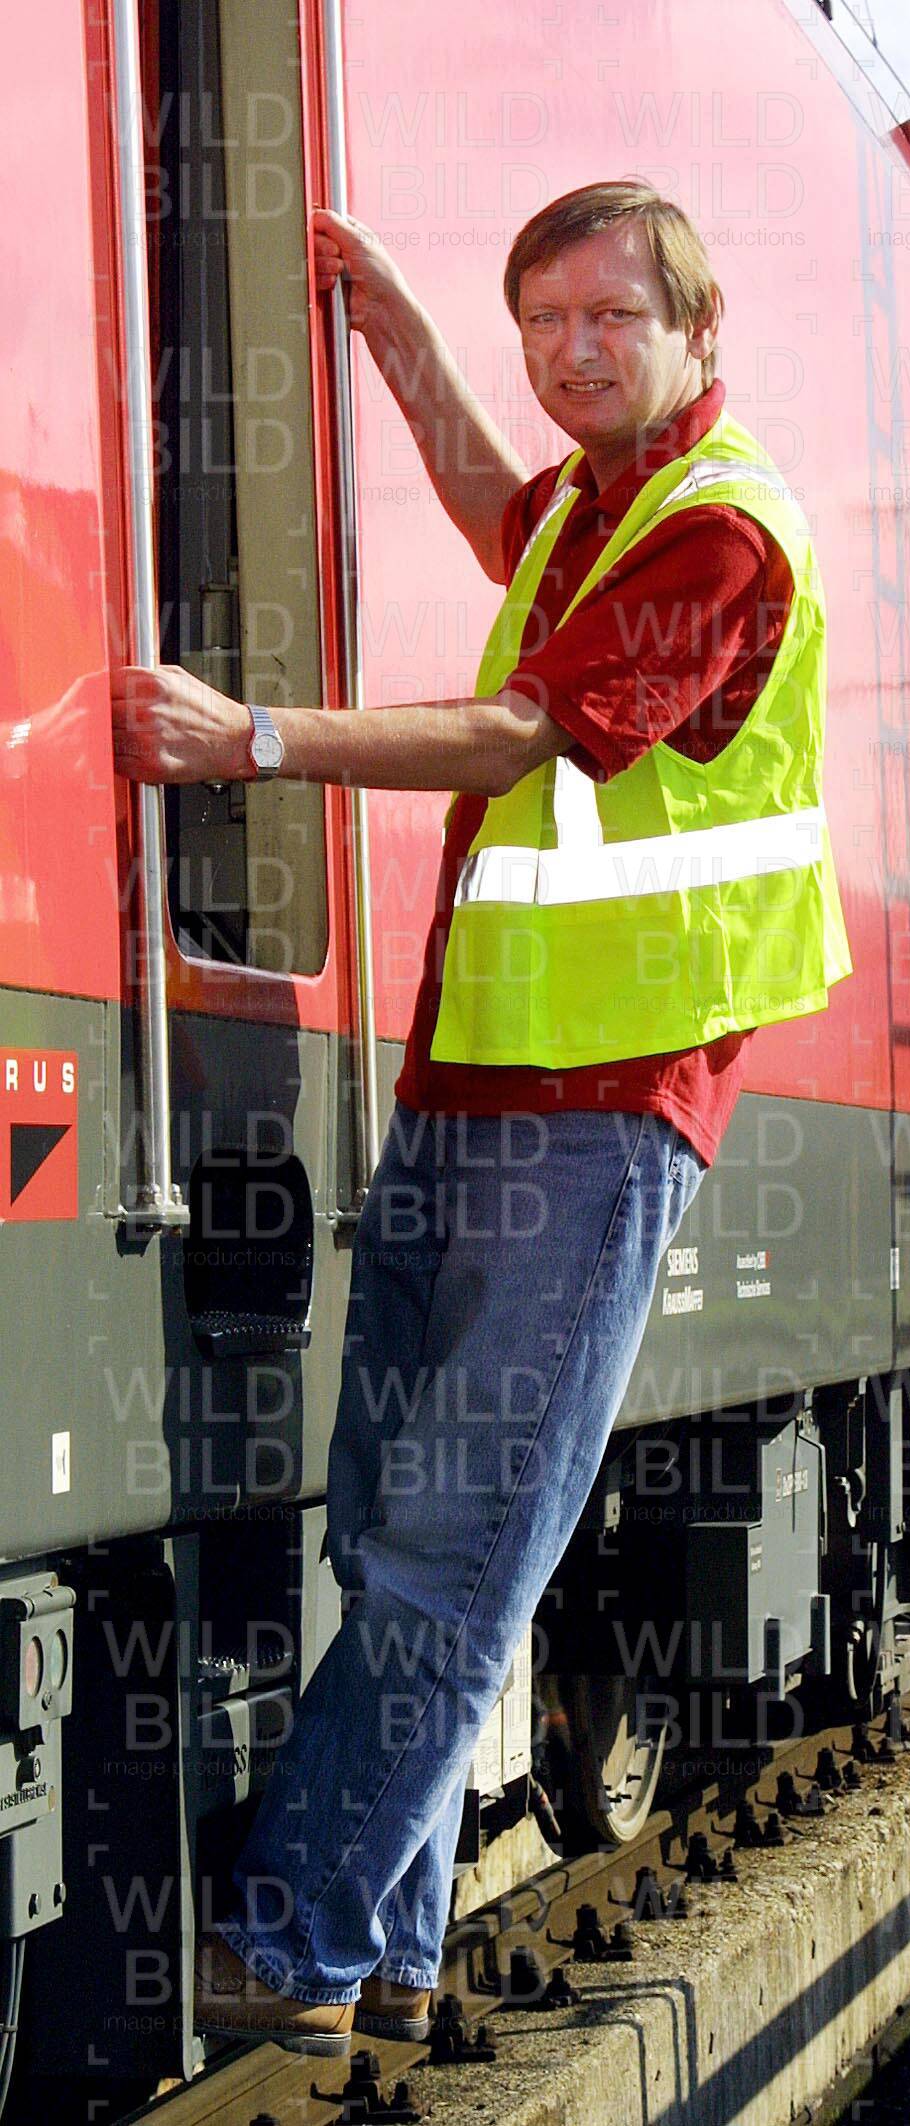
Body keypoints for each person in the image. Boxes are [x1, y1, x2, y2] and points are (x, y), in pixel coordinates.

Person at [111, 178, 851, 2056]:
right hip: (470, 1081)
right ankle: (397, 1943)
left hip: (604, 1111)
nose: (571, 353)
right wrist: (396, 332)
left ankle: (294, 1945)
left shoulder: (717, 535)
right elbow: (486, 506)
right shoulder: (592, 508)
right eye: (542, 325)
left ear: (697, 329)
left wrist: (248, 737)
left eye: (609, 317)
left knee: (454, 1552)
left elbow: (522, 730)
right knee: (390, 1529)